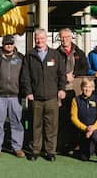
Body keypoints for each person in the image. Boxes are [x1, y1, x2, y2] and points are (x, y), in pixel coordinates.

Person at [20, 28, 66, 161]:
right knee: (36, 125)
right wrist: (28, 92)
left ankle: (50, 151)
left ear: (46, 39)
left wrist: (61, 89)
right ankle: (35, 150)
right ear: (35, 39)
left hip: (52, 97)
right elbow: (25, 76)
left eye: (42, 38)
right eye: (37, 38)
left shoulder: (55, 55)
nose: (39, 41)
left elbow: (61, 74)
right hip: (36, 98)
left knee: (51, 126)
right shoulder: (30, 55)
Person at [0, 35, 25, 159]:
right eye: (7, 43)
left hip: (15, 96)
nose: (9, 45)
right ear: (2, 44)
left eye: (11, 43)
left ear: (14, 44)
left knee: (17, 123)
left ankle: (17, 147)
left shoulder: (21, 58)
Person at [56, 28, 89, 152]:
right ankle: (62, 144)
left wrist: (73, 74)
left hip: (75, 90)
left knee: (76, 117)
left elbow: (85, 69)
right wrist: (65, 77)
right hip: (61, 90)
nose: (64, 39)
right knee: (62, 117)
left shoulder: (79, 53)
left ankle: (76, 143)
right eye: (62, 37)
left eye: (67, 37)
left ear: (71, 37)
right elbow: (53, 71)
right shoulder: (55, 53)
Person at [70, 78, 97, 166]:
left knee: (95, 134)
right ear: (81, 87)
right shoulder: (75, 100)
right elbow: (74, 118)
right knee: (85, 157)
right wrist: (86, 128)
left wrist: (92, 128)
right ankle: (91, 148)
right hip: (84, 129)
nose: (87, 89)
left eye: (90, 87)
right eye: (85, 87)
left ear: (93, 88)